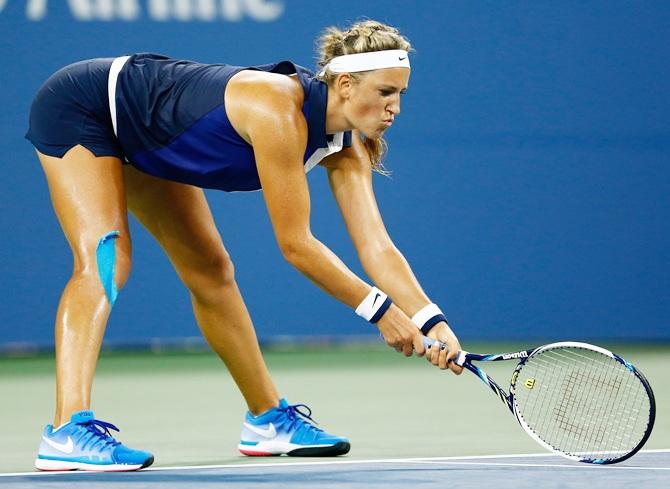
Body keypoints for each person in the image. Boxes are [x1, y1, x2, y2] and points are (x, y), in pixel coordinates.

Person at [25, 20, 463, 472]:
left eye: (401, 95)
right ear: (347, 85)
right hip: (86, 105)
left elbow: (377, 245)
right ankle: (66, 431)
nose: (394, 107)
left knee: (212, 271)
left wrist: (431, 319)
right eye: (386, 92)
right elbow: (296, 245)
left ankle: (267, 420)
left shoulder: (348, 146)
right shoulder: (277, 108)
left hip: (146, 136)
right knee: (107, 258)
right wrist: (382, 312)